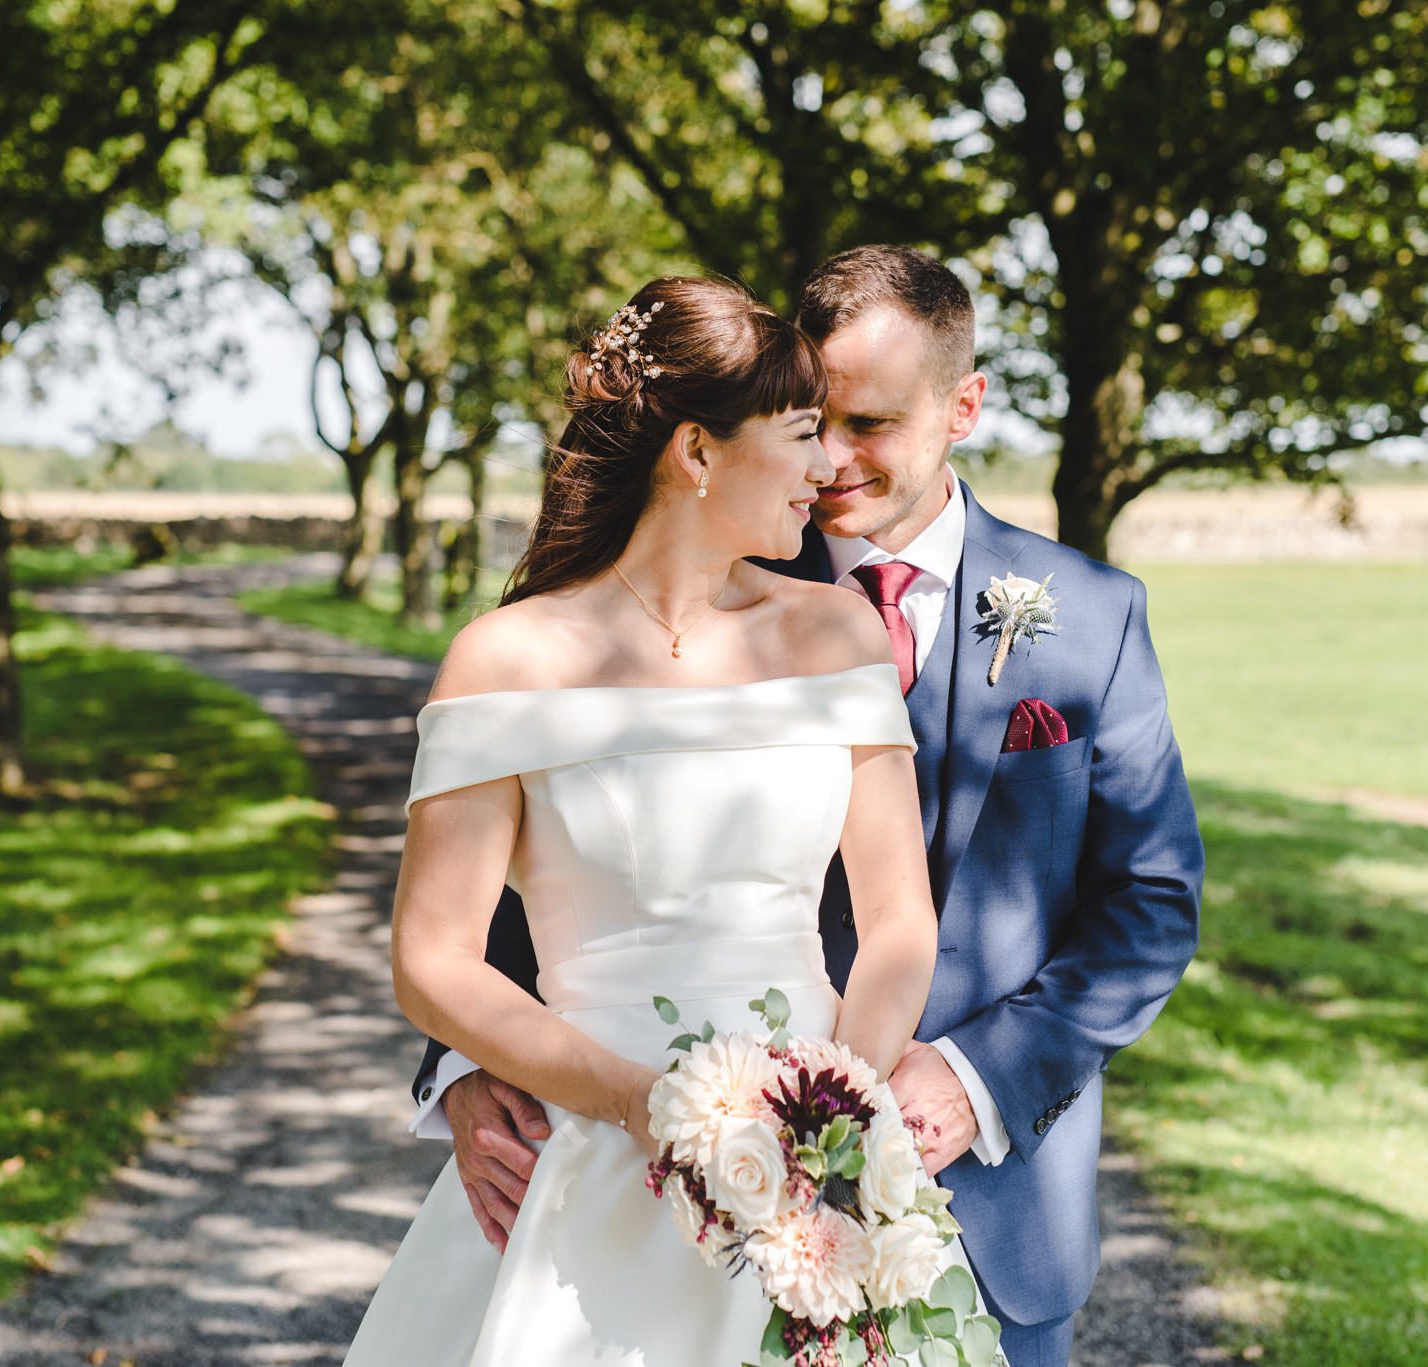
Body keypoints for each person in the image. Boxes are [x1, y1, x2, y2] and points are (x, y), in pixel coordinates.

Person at [415, 247, 1205, 1367]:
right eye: (808, 418)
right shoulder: (597, 628)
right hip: (634, 1173)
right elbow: (543, 870)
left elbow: (1150, 907)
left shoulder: (1089, 617)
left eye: (870, 422)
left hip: (987, 1199)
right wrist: (465, 1064)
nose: (829, 458)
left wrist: (969, 1080)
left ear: (963, 405)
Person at [344, 276, 976, 1366]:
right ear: (695, 451)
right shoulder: (507, 661)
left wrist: (827, 1120)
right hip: (590, 1154)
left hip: (814, 1172)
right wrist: (655, 1112)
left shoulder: (837, 637)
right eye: (799, 433)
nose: (828, 466)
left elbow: (897, 923)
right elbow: (430, 958)